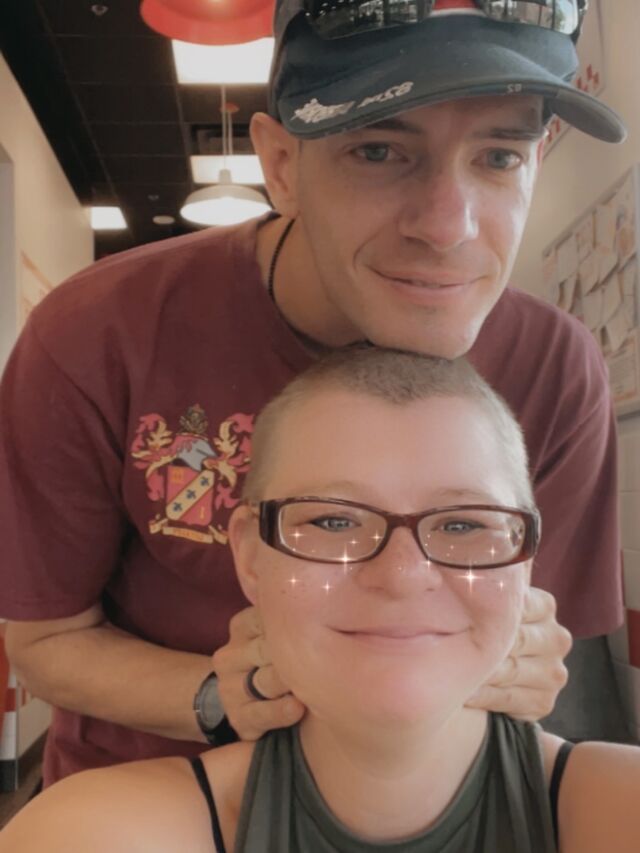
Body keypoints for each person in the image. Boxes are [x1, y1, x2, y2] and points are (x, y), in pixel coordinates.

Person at [0, 0, 629, 786]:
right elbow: (45, 640)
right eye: (378, 150)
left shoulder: (557, 368)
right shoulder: (97, 334)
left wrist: (525, 670)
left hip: (422, 806)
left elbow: (551, 651)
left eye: (499, 156)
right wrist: (224, 695)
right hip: (145, 794)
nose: (448, 226)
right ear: (282, 167)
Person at [2, 346, 640, 853]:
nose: (402, 576)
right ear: (250, 556)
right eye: (333, 521)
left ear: (526, 561)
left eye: (463, 523)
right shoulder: (90, 833)